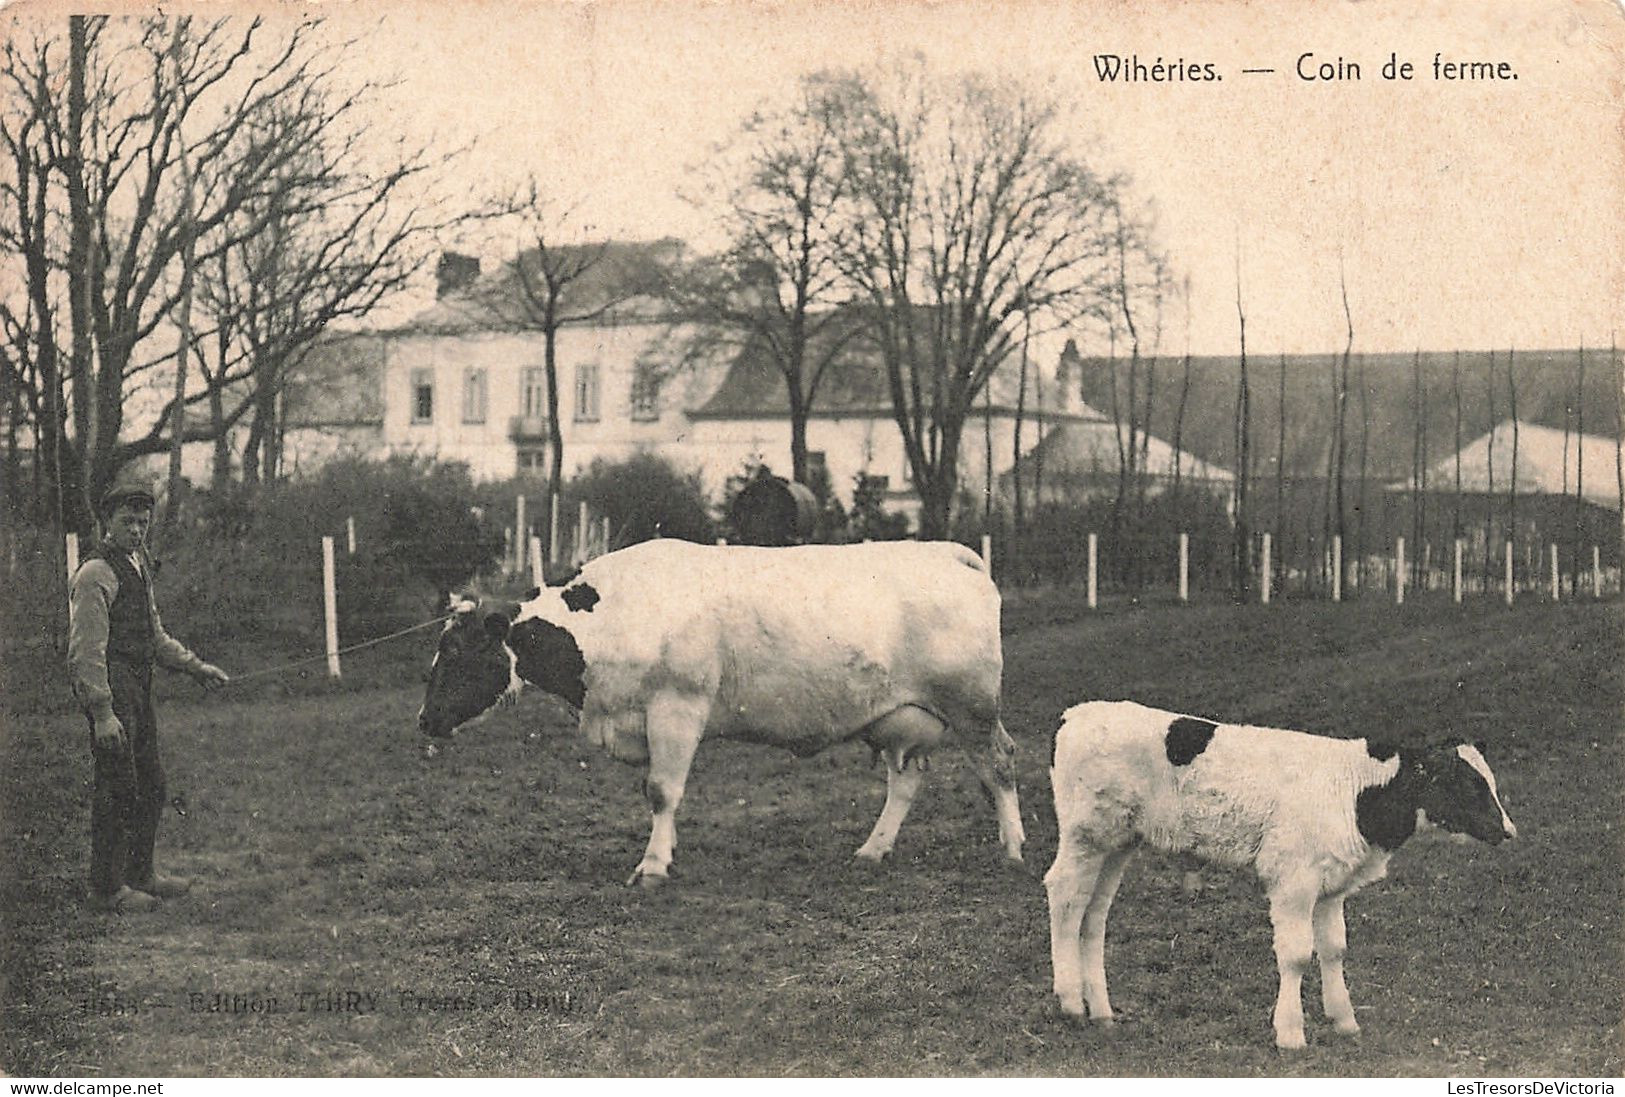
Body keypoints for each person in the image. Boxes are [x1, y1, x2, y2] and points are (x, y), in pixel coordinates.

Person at [67, 472, 230, 913]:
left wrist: (196, 667)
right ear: (106, 522)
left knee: (151, 784)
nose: (136, 531)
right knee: (118, 786)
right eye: (128, 522)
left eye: (143, 522)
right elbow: (85, 653)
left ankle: (141, 874)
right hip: (112, 689)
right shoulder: (95, 574)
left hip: (140, 686)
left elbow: (154, 636)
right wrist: (102, 713)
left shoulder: (139, 566)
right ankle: (106, 889)